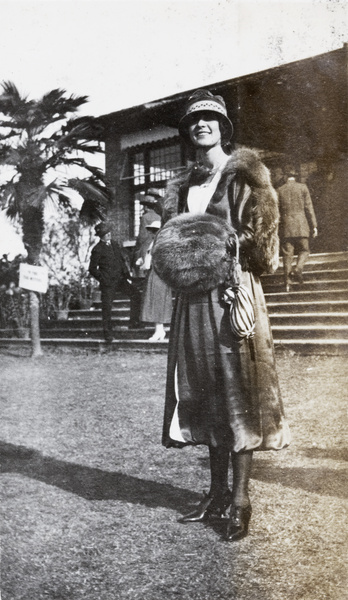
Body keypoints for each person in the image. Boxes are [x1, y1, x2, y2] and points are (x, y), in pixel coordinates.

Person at [152, 89, 291, 541]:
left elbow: (263, 247)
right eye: (194, 121)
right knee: (204, 390)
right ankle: (214, 494)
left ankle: (240, 500)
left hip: (232, 295)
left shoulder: (247, 178)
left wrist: (219, 243)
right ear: (188, 132)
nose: (202, 125)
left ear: (224, 127)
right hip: (193, 301)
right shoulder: (185, 186)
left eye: (210, 118)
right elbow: (173, 244)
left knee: (239, 391)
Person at [89, 221, 129, 344]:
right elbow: (92, 269)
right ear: (101, 235)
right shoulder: (97, 249)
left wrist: (127, 275)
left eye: (109, 232)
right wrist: (103, 279)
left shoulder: (115, 244)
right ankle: (108, 334)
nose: (109, 235)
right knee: (107, 308)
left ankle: (134, 323)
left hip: (120, 280)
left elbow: (121, 261)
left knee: (136, 295)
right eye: (106, 233)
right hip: (108, 283)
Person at [277, 171, 318, 291]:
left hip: (286, 227)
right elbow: (309, 208)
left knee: (287, 255)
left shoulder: (279, 190)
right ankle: (298, 268)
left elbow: (277, 212)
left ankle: (287, 283)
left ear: (285, 177)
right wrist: (314, 226)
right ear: (295, 177)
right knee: (305, 250)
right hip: (301, 225)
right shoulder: (303, 187)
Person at [129, 189, 163, 329]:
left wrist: (136, 254)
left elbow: (142, 238)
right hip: (154, 254)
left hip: (144, 254)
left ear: (146, 206)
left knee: (139, 291)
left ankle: (139, 320)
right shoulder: (159, 217)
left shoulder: (145, 218)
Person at [140, 219, 173, 341]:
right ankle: (159, 330)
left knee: (157, 302)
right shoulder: (153, 243)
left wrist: (146, 265)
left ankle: (159, 330)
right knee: (154, 302)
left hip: (158, 275)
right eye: (151, 231)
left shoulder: (160, 244)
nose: (152, 234)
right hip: (154, 274)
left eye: (155, 231)